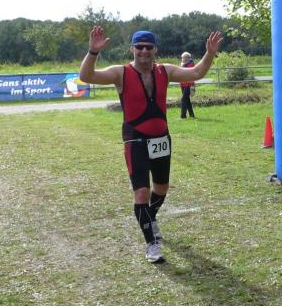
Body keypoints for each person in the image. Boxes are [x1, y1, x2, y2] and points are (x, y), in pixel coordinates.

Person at [79, 27, 223, 263]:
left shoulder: (164, 70)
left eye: (148, 47)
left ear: (155, 49)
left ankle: (149, 217)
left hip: (161, 138)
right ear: (132, 49)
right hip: (135, 138)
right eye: (139, 47)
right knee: (142, 192)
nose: (144, 51)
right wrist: (93, 51)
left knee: (162, 188)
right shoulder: (121, 73)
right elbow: (87, 76)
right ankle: (152, 244)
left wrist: (209, 53)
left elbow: (196, 72)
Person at [179, 52, 196, 119]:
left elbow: (188, 73)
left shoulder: (191, 64)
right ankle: (192, 115)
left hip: (189, 84)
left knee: (183, 99)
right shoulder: (182, 64)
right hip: (183, 84)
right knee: (187, 100)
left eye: (183, 57)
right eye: (182, 57)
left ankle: (183, 116)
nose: (182, 59)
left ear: (187, 58)